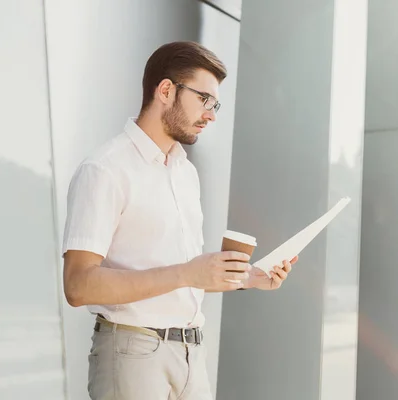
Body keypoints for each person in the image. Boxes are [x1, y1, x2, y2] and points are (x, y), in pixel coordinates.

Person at [61, 41, 298, 400]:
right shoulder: (105, 170)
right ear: (167, 91)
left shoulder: (185, 172)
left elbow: (185, 276)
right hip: (132, 354)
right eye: (204, 99)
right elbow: (78, 286)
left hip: (191, 355)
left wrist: (250, 278)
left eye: (215, 104)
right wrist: (187, 273)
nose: (211, 114)